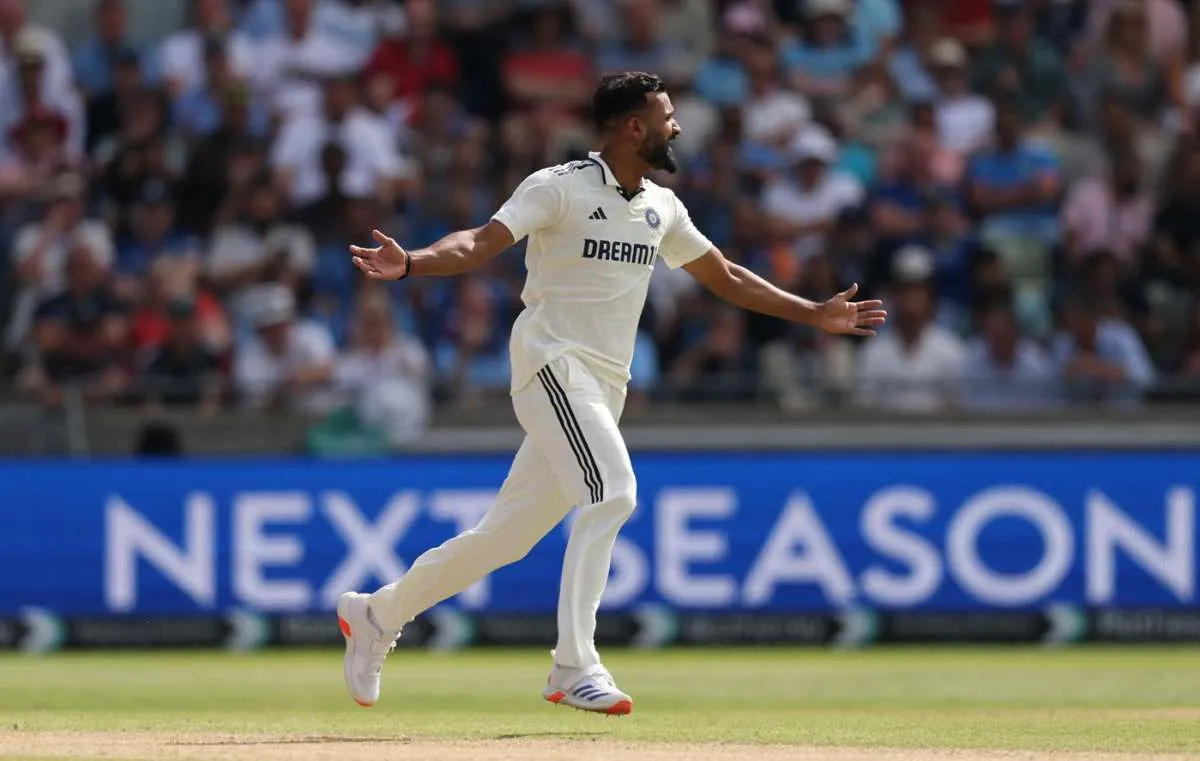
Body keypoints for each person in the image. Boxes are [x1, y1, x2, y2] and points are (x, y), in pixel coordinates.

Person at [334, 72, 887, 716]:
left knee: (503, 539)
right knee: (613, 492)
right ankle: (573, 665)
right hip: (550, 365)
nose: (676, 126)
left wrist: (812, 313)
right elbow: (479, 243)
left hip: (603, 386)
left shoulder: (662, 206)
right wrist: (414, 262)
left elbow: (727, 275)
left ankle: (378, 612)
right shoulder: (559, 186)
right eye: (667, 116)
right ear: (633, 127)